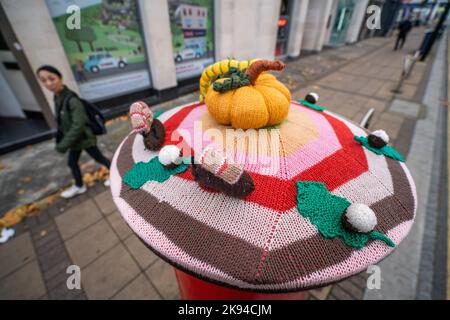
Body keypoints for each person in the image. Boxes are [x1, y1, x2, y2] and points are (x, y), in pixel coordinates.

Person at [36, 65, 111, 199]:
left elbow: (78, 125)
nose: (48, 84)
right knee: (72, 162)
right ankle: (79, 185)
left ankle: (115, 174)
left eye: (51, 79)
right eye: (43, 80)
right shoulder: (58, 97)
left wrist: (63, 144)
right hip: (76, 141)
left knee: (98, 157)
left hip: (84, 139)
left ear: (60, 78)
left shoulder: (71, 100)